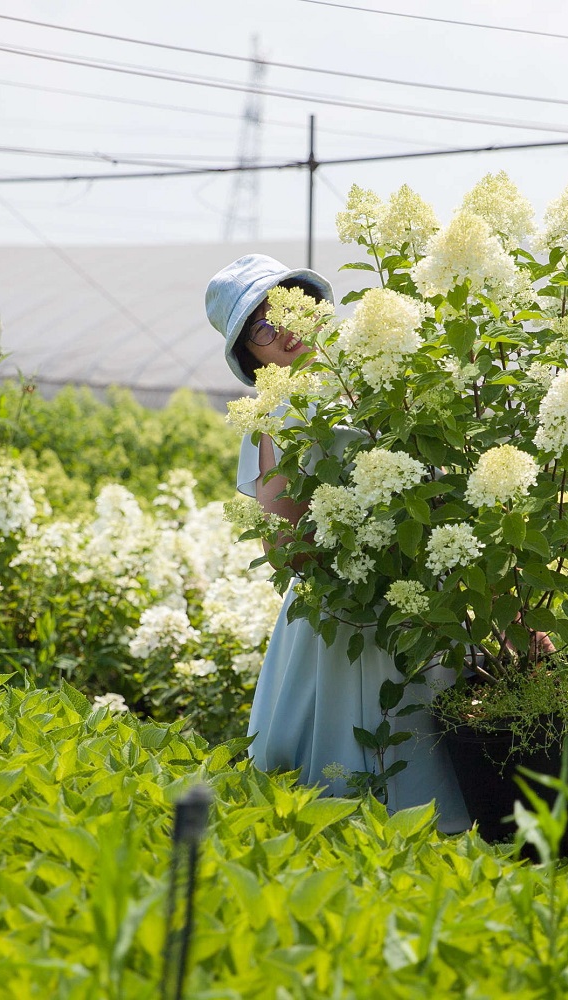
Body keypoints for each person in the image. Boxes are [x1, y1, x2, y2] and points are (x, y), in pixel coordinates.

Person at [205, 253, 472, 834]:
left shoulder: (381, 366)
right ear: (250, 357)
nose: (283, 331)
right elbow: (284, 529)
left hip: (426, 588)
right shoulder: (271, 412)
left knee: (438, 730)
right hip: (344, 608)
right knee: (349, 757)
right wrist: (354, 555)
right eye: (261, 329)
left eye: (287, 308)